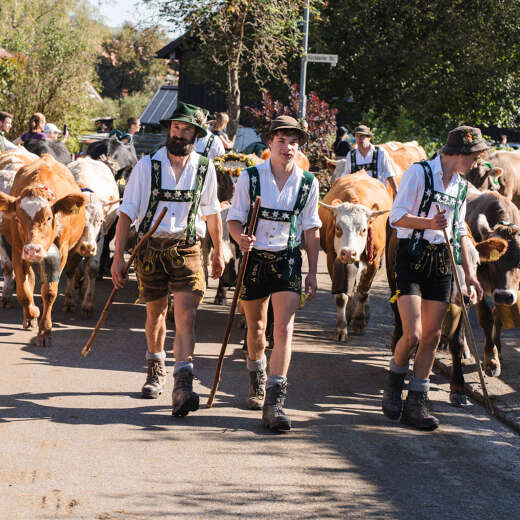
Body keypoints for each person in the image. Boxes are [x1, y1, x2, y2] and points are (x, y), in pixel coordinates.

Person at [111, 102, 225, 416]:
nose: (178, 133)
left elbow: (212, 212)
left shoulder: (204, 167)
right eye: (175, 127)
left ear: (196, 134)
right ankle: (155, 366)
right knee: (156, 313)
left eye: (185, 129)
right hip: (151, 248)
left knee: (186, 313)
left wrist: (220, 250)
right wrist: (118, 256)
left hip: (188, 247)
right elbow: (126, 214)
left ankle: (183, 382)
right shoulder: (146, 166)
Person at [382, 126, 486, 431]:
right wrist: (429, 222)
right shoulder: (418, 173)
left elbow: (458, 233)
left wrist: (470, 275)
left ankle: (416, 402)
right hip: (411, 256)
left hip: (441, 261)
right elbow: (395, 216)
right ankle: (393, 383)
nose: (477, 163)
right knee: (412, 334)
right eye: (476, 157)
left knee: (433, 335)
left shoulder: (461, 187)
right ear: (460, 155)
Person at [227, 115, 321, 431]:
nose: (288, 147)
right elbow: (234, 218)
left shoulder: (309, 182)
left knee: (284, 329)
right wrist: (240, 237)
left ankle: (275, 401)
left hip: (288, 260)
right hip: (254, 259)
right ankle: (257, 374)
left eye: (294, 142)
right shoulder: (250, 177)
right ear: (269, 142)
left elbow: (311, 229)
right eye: (282, 141)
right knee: (256, 328)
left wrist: (312, 272)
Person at [338, 125, 398, 196]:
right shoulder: (351, 155)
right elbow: (346, 175)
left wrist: (396, 192)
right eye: (357, 136)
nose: (359, 139)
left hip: (378, 194)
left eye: (362, 136)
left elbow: (389, 174)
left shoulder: (381, 152)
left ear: (369, 137)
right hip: (358, 195)